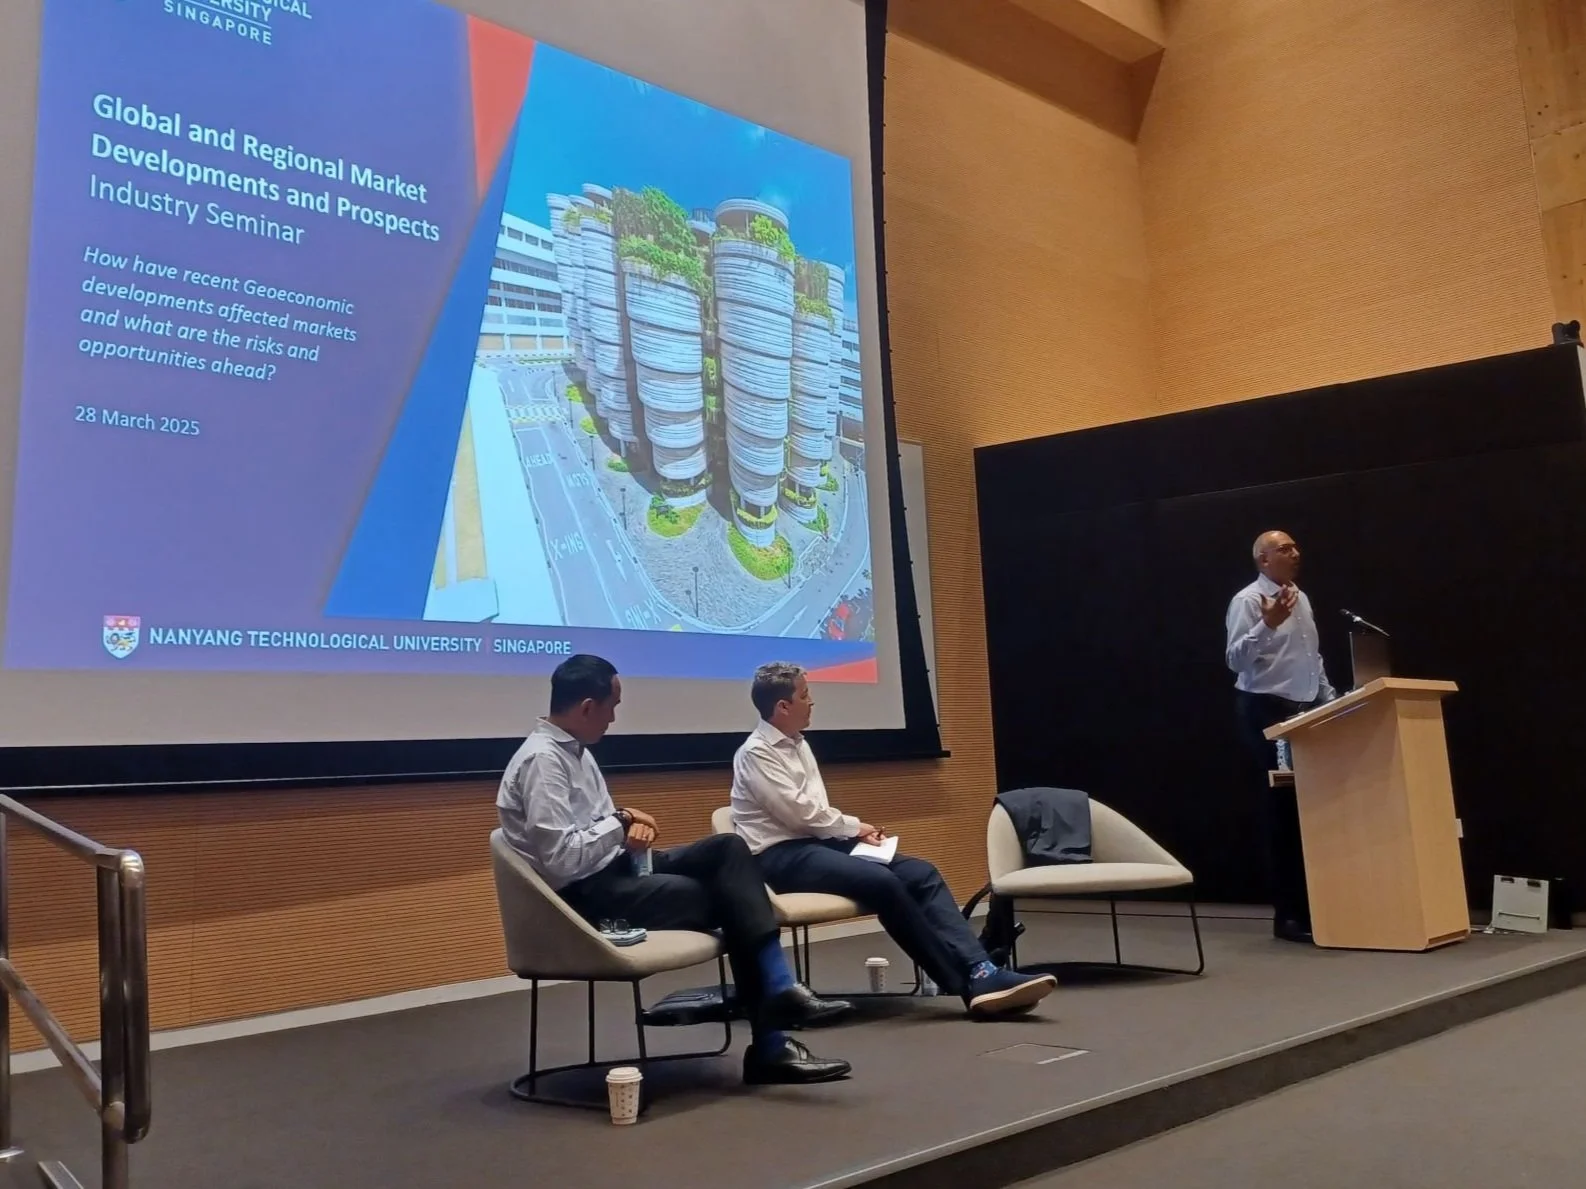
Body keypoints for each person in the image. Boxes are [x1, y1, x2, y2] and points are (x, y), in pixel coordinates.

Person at [497, 654, 854, 1085]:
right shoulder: (544, 761)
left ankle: (777, 1002)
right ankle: (772, 1036)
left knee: (727, 850)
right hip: (588, 898)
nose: (614, 717)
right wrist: (621, 822)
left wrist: (624, 833)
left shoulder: (575, 752)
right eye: (612, 706)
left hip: (617, 870)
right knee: (730, 898)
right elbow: (562, 859)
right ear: (588, 706)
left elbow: (595, 833)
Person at [730, 661, 1058, 1018]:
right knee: (882, 882)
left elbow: (815, 815)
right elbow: (801, 814)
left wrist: (856, 831)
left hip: (816, 844)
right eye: (806, 695)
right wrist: (855, 827)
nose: (813, 702)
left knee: (920, 872)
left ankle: (982, 968)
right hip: (780, 856)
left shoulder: (798, 744)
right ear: (783, 707)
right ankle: (966, 984)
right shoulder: (756, 753)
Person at [1225, 530, 1338, 944]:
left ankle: (1317, 906)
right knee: (1283, 810)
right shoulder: (1248, 601)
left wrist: (1334, 699)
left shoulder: (1300, 596)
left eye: (1295, 546)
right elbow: (1234, 658)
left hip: (1304, 710)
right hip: (1266, 711)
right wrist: (1265, 626)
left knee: (1308, 810)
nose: (1295, 552)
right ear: (1262, 560)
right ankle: (1287, 915)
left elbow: (1310, 656)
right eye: (1284, 549)